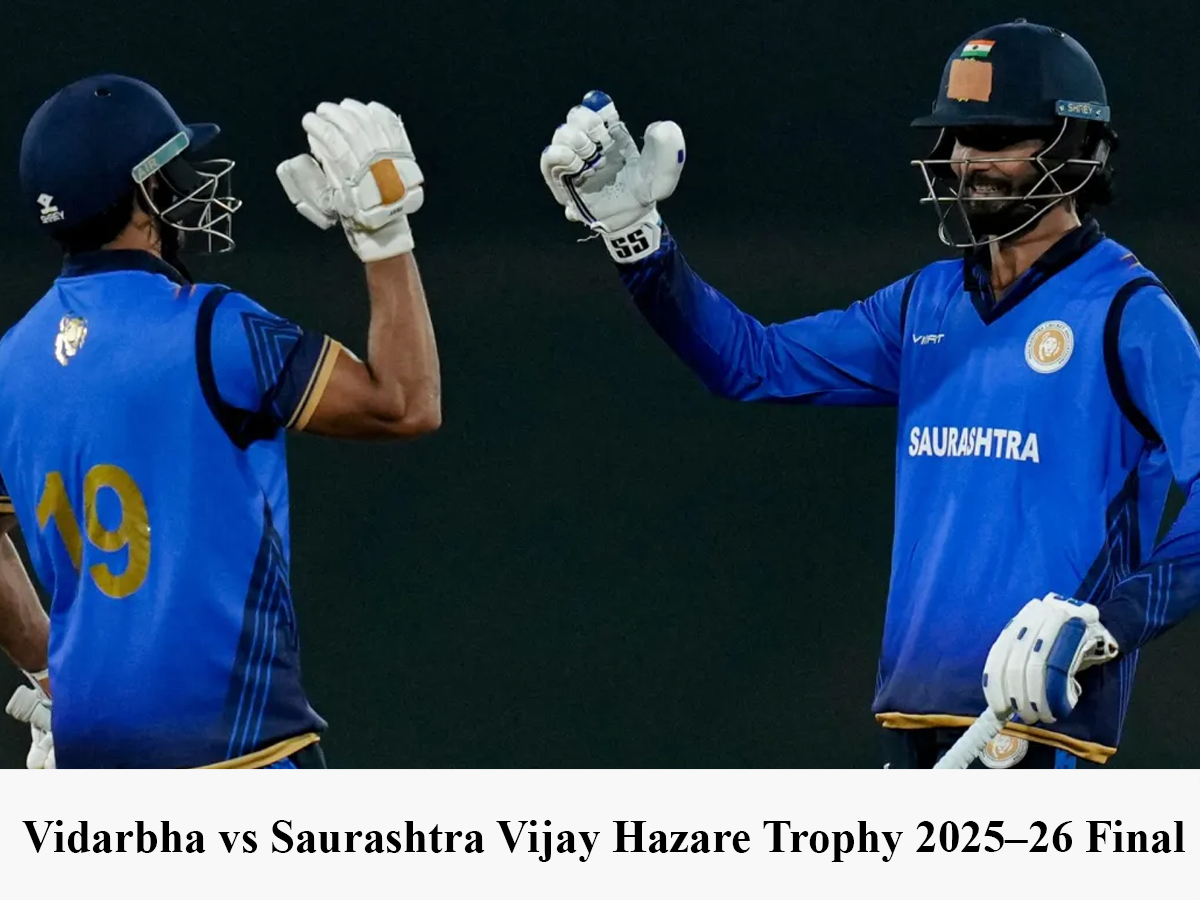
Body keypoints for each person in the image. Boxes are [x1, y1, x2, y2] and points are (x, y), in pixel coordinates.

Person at [539, 19, 1200, 767]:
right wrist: (638, 240)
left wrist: (1109, 623)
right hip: (913, 730)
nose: (965, 160)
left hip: (1042, 734)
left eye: (994, 139)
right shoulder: (926, 304)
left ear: (1076, 147)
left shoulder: (1130, 314)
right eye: (958, 138)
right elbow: (752, 363)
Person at [0, 74, 440, 768]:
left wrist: (48, 679)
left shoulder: (9, 362)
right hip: (245, 761)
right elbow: (405, 403)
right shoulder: (212, 326)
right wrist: (385, 237)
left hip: (97, 773)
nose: (185, 185)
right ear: (142, 191)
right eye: (168, 170)